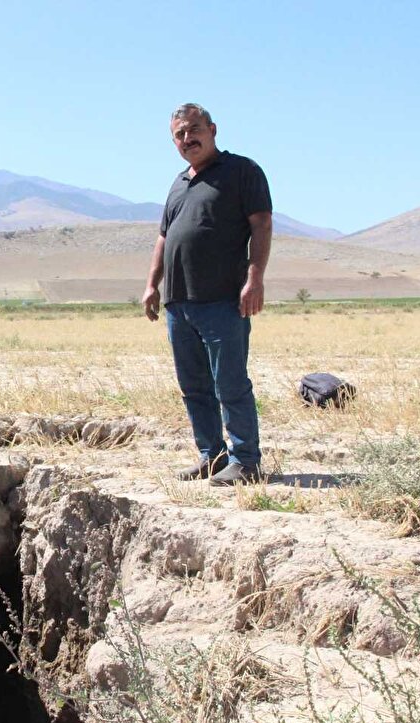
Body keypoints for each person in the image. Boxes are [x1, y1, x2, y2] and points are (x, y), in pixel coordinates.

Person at [141, 103, 273, 486]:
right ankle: (210, 455)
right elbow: (164, 238)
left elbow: (261, 223)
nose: (187, 139)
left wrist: (255, 277)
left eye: (194, 129)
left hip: (222, 300)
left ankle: (246, 460)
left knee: (229, 382)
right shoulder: (179, 183)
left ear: (213, 129)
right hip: (179, 303)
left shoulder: (241, 171)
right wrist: (152, 284)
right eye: (179, 135)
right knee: (194, 385)